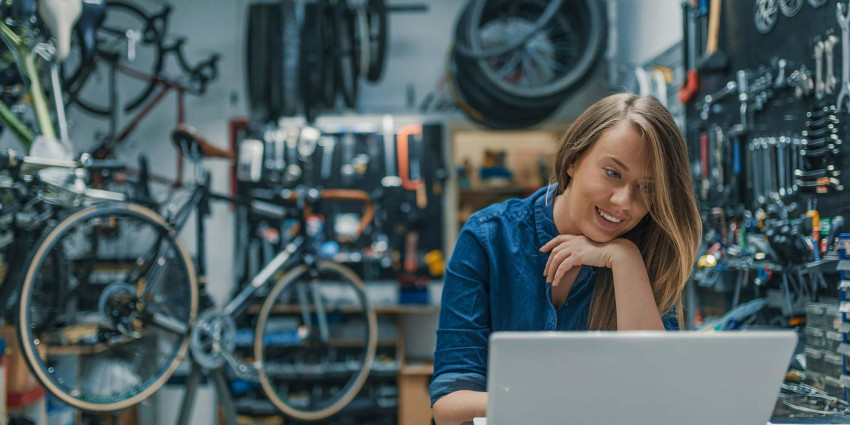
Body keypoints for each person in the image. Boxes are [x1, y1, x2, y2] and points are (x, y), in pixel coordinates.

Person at [430, 93, 702, 425]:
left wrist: (625, 259)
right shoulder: (489, 237)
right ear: (572, 160)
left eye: (647, 188)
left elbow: (658, 395)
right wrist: (553, 399)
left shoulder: (649, 252)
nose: (623, 202)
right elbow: (447, 404)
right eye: (612, 173)